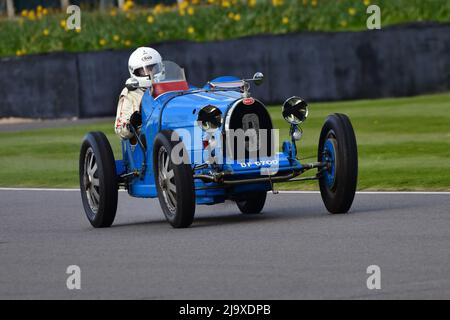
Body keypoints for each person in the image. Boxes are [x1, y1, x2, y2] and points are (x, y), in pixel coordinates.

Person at [114, 47, 164, 140]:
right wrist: (132, 124)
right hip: (144, 139)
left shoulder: (168, 85)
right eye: (144, 70)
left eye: (152, 68)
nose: (149, 72)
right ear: (135, 72)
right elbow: (120, 129)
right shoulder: (130, 94)